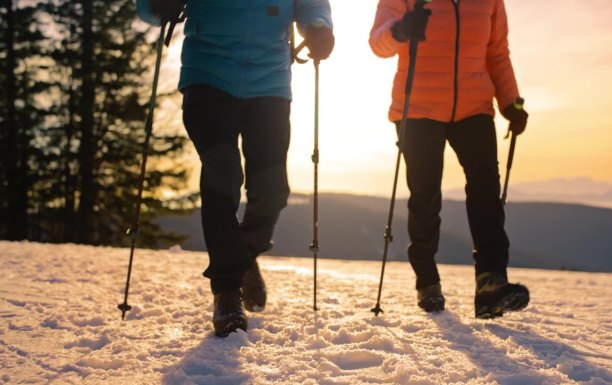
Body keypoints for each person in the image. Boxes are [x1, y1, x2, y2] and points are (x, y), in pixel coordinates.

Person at [136, 0, 334, 336]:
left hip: (270, 82)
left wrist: (318, 24)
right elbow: (147, 8)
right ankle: (227, 291)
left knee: (272, 190)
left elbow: (313, 4)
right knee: (222, 171)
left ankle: (244, 254)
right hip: (207, 75)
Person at [369, 0, 529, 318]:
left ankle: (490, 284)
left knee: (485, 190)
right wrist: (400, 30)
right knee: (426, 197)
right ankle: (427, 283)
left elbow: (496, 52)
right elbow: (378, 42)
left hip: (474, 107)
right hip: (417, 109)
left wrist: (510, 101)